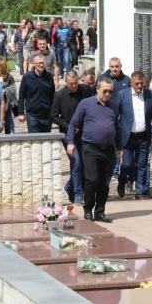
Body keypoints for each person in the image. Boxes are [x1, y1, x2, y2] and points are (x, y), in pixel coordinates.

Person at [67, 77, 123, 223]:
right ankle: (88, 209)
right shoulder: (86, 104)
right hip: (91, 148)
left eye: (110, 91)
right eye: (105, 91)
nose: (107, 94)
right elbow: (73, 123)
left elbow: (117, 128)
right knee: (92, 179)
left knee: (105, 182)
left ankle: (100, 212)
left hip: (109, 149)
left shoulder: (113, 106)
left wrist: (120, 147)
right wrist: (71, 142)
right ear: (97, 89)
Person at [116, 71, 152, 200]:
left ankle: (139, 192)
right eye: (137, 84)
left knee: (142, 164)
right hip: (127, 136)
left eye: (141, 84)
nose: (139, 86)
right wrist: (116, 135)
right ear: (131, 83)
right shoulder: (122, 95)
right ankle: (122, 180)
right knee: (127, 164)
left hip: (143, 136)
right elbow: (115, 116)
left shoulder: (150, 95)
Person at [51, 70, 92, 205]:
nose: (74, 86)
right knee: (76, 162)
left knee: (85, 163)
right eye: (71, 84)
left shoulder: (85, 90)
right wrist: (69, 126)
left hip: (85, 132)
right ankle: (78, 194)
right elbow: (54, 116)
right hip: (69, 134)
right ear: (66, 82)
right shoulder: (59, 95)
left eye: (76, 83)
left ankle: (69, 186)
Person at [97, 57, 131, 182]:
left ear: (120, 66)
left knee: (120, 144)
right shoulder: (102, 78)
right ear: (109, 67)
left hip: (122, 118)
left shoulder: (126, 80)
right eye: (112, 66)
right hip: (107, 115)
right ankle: (111, 169)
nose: (114, 69)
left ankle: (116, 170)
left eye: (116, 66)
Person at [18, 54, 55, 133]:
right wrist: (21, 113)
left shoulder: (49, 77)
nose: (41, 65)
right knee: (35, 141)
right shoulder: (27, 77)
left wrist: (54, 113)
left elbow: (53, 96)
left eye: (42, 63)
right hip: (32, 114)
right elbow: (21, 96)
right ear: (34, 64)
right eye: (39, 63)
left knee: (46, 141)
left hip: (46, 114)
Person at [143, 73, 152, 197]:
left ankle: (145, 187)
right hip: (133, 134)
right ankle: (131, 181)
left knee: (146, 161)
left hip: (148, 133)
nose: (144, 89)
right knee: (133, 162)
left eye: (146, 86)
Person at [0, 57, 16, 135]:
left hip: (6, 103)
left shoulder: (9, 77)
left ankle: (10, 133)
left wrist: (5, 90)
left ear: (2, 66)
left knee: (8, 120)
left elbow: (14, 88)